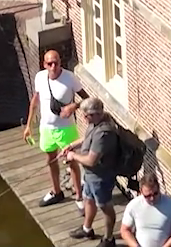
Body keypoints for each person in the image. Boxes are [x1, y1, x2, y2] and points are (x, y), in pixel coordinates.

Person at [21, 49, 81, 206]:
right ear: (44, 64)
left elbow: (87, 100)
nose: (54, 66)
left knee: (71, 160)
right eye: (50, 63)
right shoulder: (40, 77)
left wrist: (73, 106)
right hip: (46, 128)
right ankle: (56, 191)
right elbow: (35, 100)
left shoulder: (69, 78)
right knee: (51, 159)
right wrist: (29, 126)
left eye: (56, 63)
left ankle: (79, 196)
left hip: (65, 128)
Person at [65, 97, 122, 242]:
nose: (84, 117)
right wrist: (72, 146)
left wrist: (73, 156)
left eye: (86, 115)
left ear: (96, 114)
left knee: (105, 207)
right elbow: (86, 139)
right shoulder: (94, 123)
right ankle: (87, 229)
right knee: (88, 199)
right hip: (91, 176)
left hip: (100, 178)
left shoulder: (104, 133)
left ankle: (109, 239)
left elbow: (91, 160)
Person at [120, 172, 171, 247]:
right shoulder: (133, 205)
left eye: (155, 193)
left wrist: (167, 246)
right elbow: (125, 230)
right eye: (148, 196)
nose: (152, 198)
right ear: (141, 191)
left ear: (159, 188)